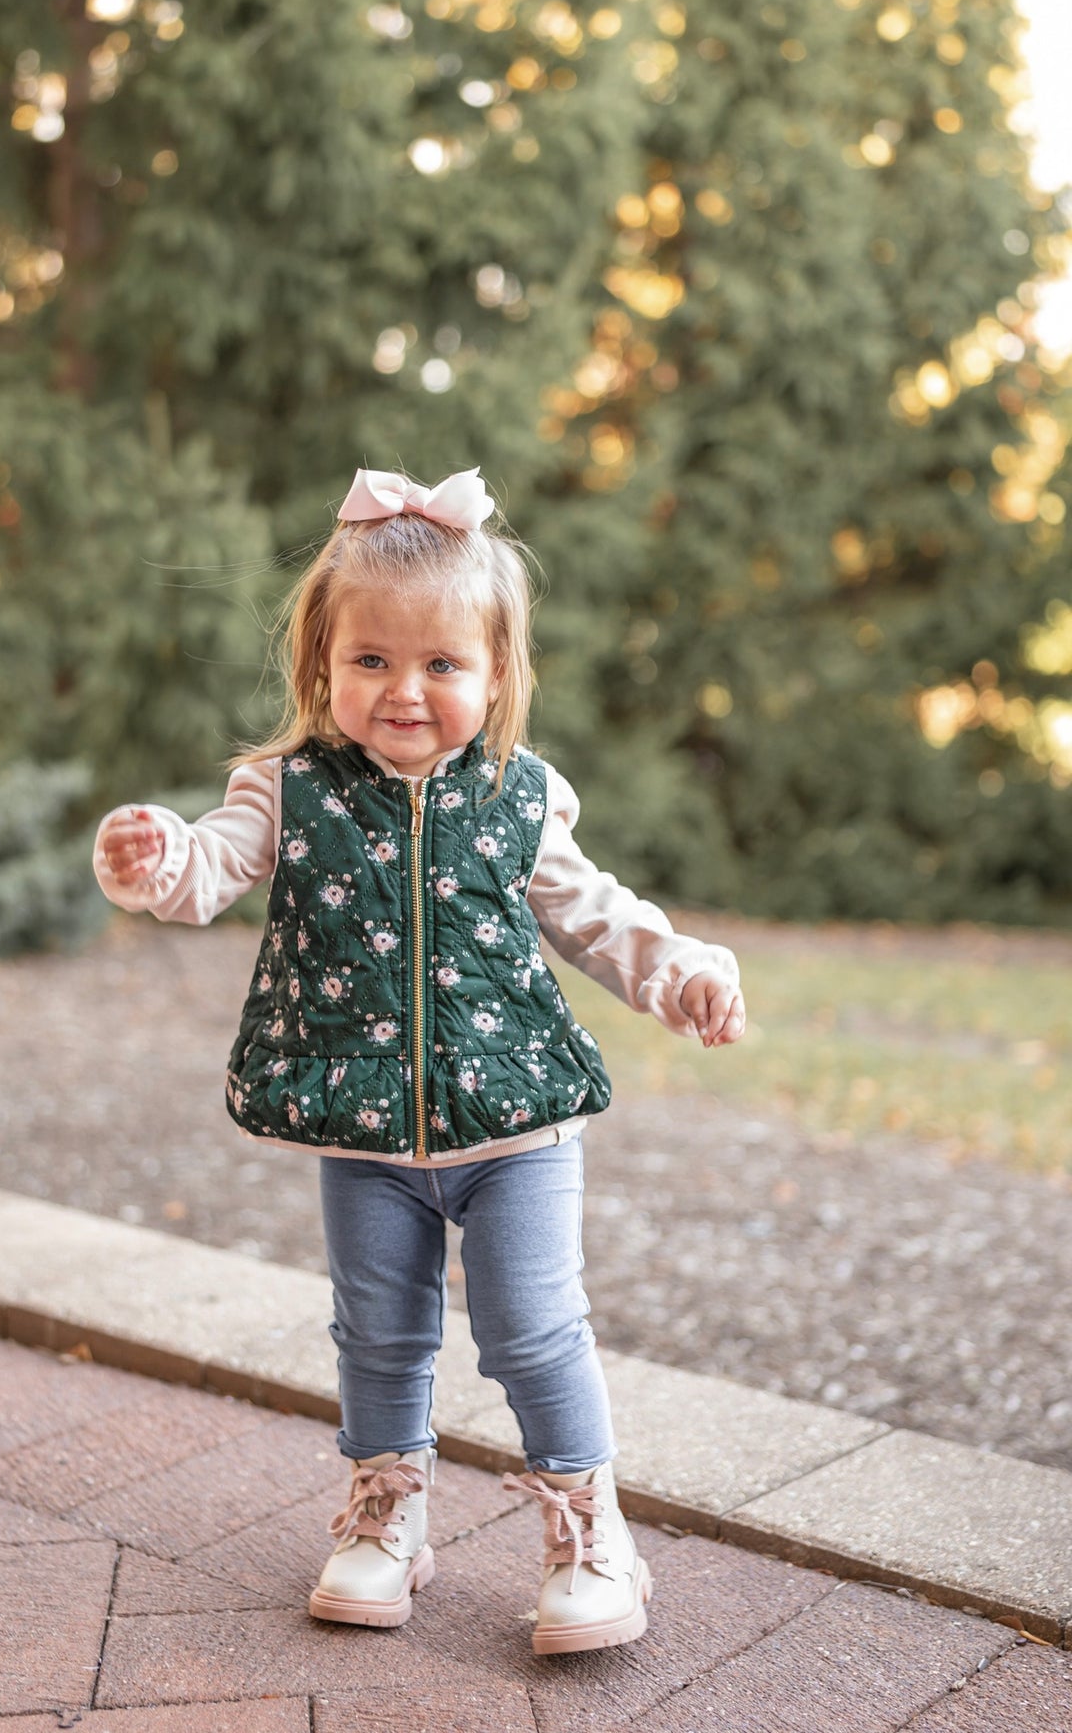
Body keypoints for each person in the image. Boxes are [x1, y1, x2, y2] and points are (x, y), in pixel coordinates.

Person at [94, 465, 745, 1656]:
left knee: (532, 1328)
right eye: (373, 661)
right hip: (363, 1131)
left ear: (495, 677)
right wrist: (151, 862)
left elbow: (597, 915)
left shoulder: (516, 796)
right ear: (323, 667)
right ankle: (388, 1515)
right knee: (379, 1331)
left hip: (520, 1128)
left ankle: (591, 1531)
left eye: (442, 665)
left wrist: (682, 969)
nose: (406, 690)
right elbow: (208, 870)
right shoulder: (287, 792)